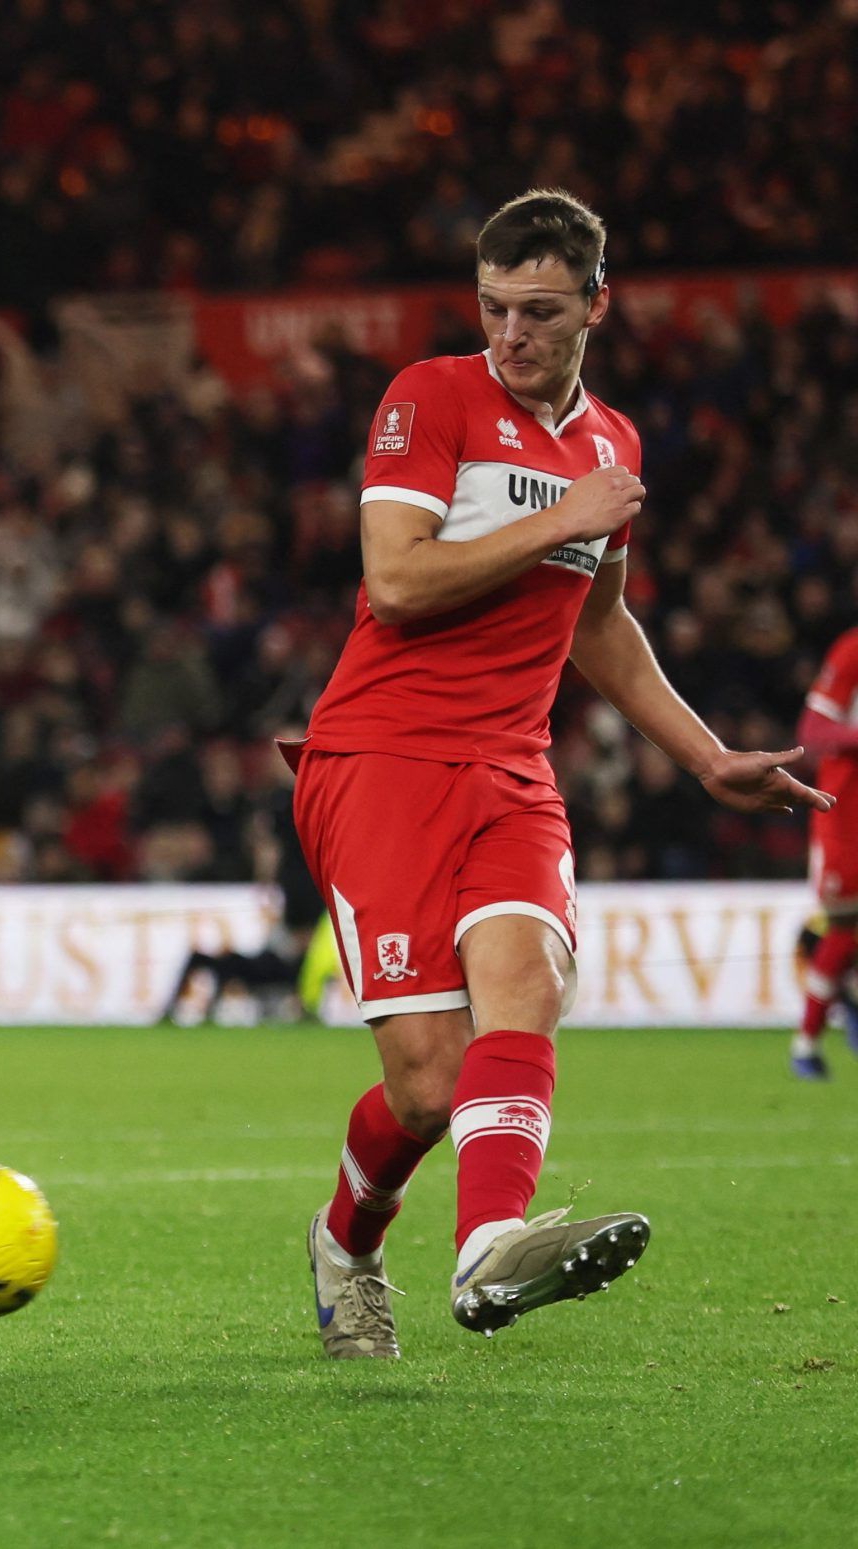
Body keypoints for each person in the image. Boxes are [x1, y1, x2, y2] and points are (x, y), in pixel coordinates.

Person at [282, 189, 831, 1358]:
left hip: (511, 769)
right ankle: (347, 1240)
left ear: (596, 305)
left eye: (538, 311)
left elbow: (599, 626)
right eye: (493, 308)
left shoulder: (611, 443)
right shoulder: (429, 400)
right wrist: (560, 519)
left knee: (524, 981)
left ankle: (486, 1249)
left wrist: (705, 758)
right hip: (378, 758)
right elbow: (396, 583)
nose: (511, 335)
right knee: (425, 1090)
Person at [791, 627, 858, 1078]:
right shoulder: (853, 650)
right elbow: (812, 729)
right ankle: (806, 1045)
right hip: (845, 814)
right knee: (845, 927)